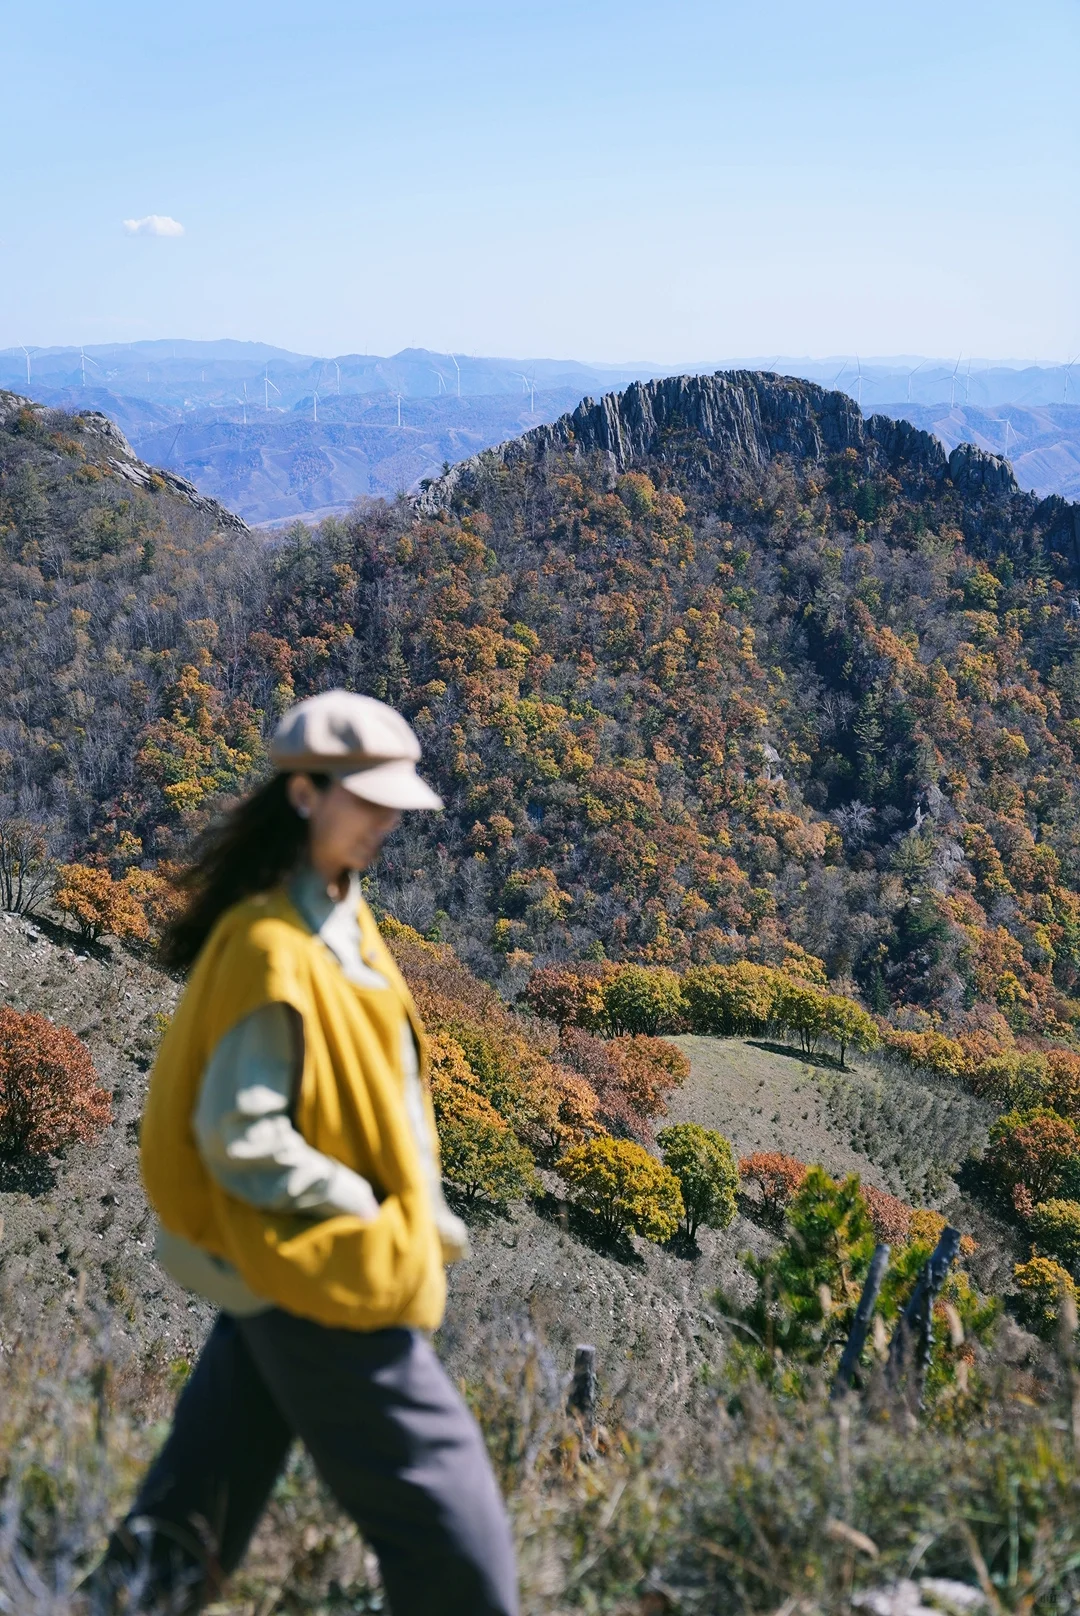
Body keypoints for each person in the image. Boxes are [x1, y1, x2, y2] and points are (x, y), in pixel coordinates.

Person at [84, 690, 518, 1616]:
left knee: (192, 1514)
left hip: (284, 1267)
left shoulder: (340, 916)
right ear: (305, 795)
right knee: (457, 1540)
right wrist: (361, 1208)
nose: (387, 822)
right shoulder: (269, 946)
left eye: (395, 804)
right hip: (319, 1266)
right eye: (369, 800)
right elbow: (242, 1139)